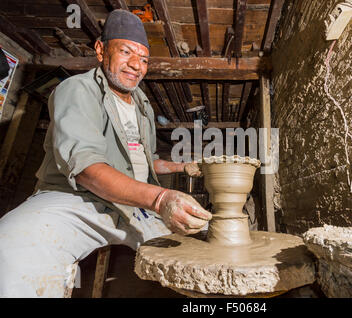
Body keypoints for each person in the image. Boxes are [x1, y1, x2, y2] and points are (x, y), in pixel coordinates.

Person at [0, 9, 212, 298]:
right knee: (12, 243)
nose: (136, 65)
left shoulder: (143, 107)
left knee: (202, 260)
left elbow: (144, 160)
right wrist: (161, 198)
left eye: (144, 59)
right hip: (77, 200)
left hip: (135, 205)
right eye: (126, 52)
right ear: (101, 50)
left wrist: (180, 168)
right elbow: (87, 168)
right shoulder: (75, 90)